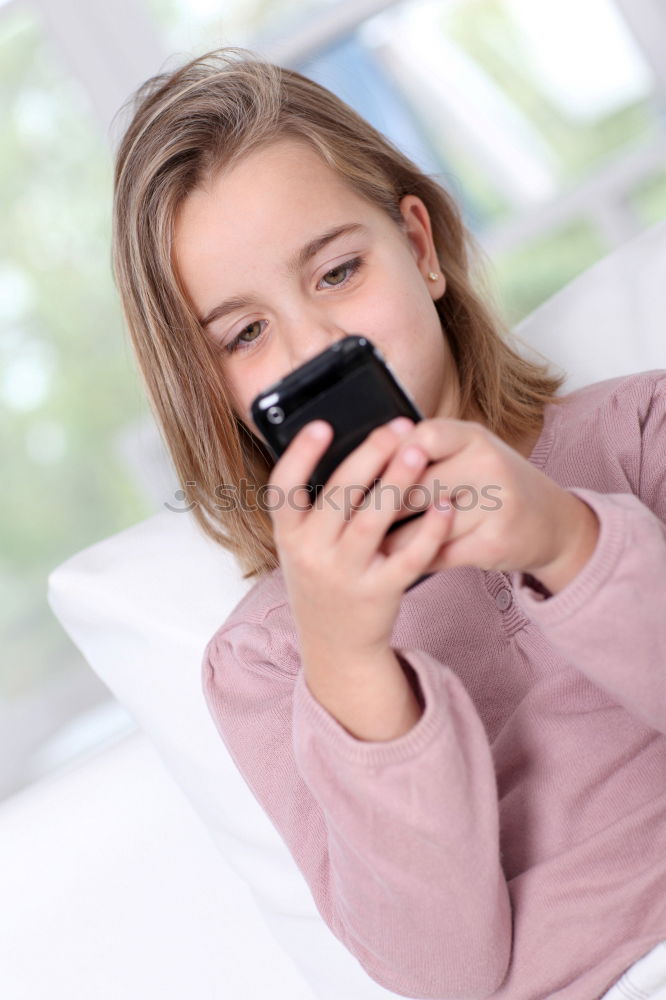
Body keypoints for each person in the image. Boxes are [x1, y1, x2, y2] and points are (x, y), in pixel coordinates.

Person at [111, 47, 666, 1000]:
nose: (314, 346)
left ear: (418, 246)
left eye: (336, 272)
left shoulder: (641, 437)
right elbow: (441, 971)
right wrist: (350, 666)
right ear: (214, 393)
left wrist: (565, 541)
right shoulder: (271, 662)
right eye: (245, 335)